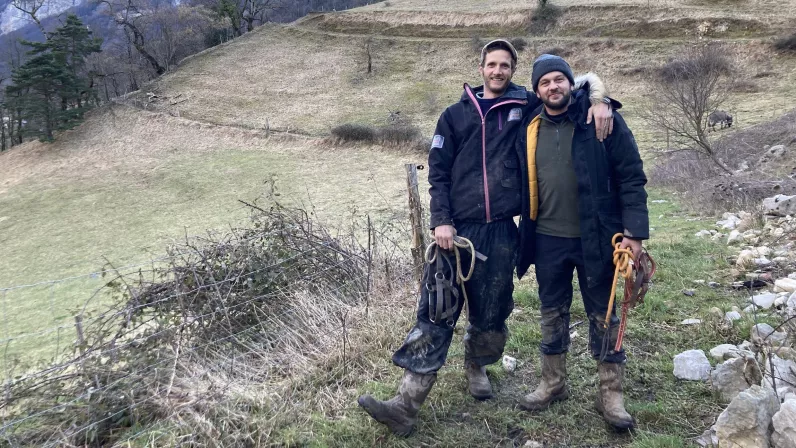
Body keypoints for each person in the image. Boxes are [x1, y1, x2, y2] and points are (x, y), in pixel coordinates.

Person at [357, 40, 615, 436]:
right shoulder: (454, 116)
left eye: (505, 65)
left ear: (513, 70)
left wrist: (601, 100)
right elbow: (438, 174)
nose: (497, 71)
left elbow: (568, 91)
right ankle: (405, 404)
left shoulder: (525, 106)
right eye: (491, 64)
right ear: (480, 68)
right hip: (455, 232)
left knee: (492, 313)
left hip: (500, 231)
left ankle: (477, 365)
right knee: (436, 312)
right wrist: (441, 220)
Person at [514, 54, 648, 431]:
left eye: (560, 80)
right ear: (537, 90)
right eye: (545, 82)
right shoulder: (530, 120)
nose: (553, 87)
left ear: (571, 84)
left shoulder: (601, 119)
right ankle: (552, 382)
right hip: (546, 239)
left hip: (599, 239)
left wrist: (635, 233)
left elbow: (632, 177)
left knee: (603, 315)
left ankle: (611, 393)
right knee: (551, 311)